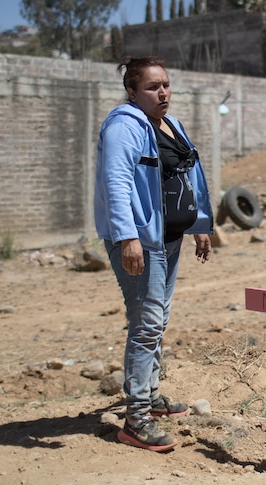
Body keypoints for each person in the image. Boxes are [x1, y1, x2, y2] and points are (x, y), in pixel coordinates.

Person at [94, 56, 214, 452]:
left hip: (170, 239)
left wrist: (198, 226)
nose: (163, 92)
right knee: (146, 323)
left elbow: (188, 175)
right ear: (132, 91)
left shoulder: (172, 125)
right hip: (142, 242)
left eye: (165, 84)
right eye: (152, 86)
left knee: (158, 318)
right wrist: (128, 237)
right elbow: (116, 182)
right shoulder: (124, 127)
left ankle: (151, 395)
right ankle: (136, 419)